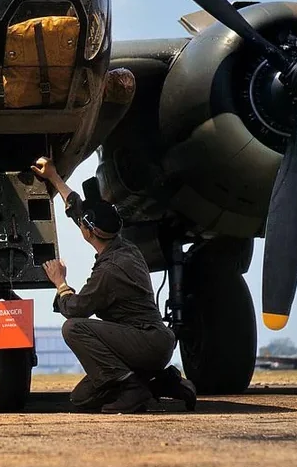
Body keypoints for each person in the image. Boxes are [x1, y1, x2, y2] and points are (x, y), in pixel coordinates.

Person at [30, 157, 197, 414]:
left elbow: (76, 309)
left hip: (145, 344)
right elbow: (80, 211)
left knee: (73, 328)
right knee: (82, 399)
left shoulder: (110, 271)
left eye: (83, 226)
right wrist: (53, 176)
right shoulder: (124, 245)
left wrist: (60, 283)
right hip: (148, 343)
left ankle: (133, 389)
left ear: (88, 232)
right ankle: (162, 382)